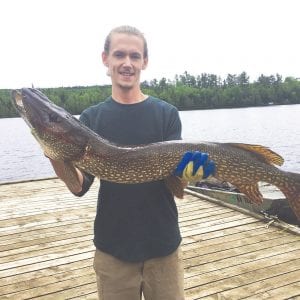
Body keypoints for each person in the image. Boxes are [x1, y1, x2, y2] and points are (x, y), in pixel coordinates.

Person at [47, 25, 215, 300]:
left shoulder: (166, 114)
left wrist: (190, 173)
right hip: (113, 251)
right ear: (106, 59)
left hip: (163, 247)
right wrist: (54, 153)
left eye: (135, 56)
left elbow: (176, 179)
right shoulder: (91, 120)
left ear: (144, 62)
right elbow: (78, 185)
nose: (127, 63)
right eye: (119, 54)